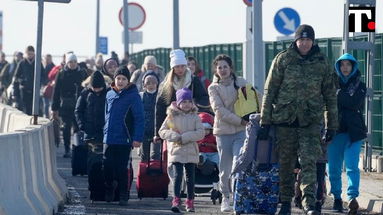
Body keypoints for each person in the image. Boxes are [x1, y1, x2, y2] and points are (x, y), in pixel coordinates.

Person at [258, 24, 338, 215]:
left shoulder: (322, 62)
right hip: (285, 121)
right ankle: (285, 203)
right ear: (295, 41)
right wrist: (264, 121)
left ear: (313, 41)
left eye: (308, 40)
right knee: (286, 164)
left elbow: (330, 95)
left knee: (309, 162)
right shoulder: (283, 59)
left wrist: (332, 124)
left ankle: (309, 204)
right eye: (301, 40)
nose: (304, 43)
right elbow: (270, 92)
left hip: (310, 121)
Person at [207, 54, 251, 212]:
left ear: (231, 68)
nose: (223, 70)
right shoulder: (213, 88)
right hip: (223, 132)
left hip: (241, 131)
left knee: (238, 164)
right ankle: (225, 197)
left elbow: (254, 99)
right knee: (225, 168)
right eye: (220, 67)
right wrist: (240, 120)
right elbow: (219, 111)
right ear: (216, 70)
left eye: (225, 66)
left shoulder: (241, 82)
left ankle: (237, 197)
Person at [327, 53, 367, 215]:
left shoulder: (360, 85)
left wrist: (337, 96)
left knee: (352, 166)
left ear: (353, 67)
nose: (345, 68)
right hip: (334, 131)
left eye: (348, 65)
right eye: (342, 64)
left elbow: (354, 103)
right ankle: (337, 197)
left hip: (354, 132)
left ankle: (352, 197)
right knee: (334, 168)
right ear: (338, 67)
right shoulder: (330, 84)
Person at [159, 87, 204, 213]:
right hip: (176, 150)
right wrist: (174, 136)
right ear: (178, 103)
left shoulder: (195, 117)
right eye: (184, 102)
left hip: (190, 150)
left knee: (191, 177)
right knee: (178, 176)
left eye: (189, 102)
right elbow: (162, 131)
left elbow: (200, 133)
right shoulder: (171, 117)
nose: (187, 104)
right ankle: (176, 199)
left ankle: (190, 201)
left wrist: (185, 137)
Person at [103, 66, 144, 206]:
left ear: (128, 81)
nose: (120, 81)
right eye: (118, 78)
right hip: (109, 138)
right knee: (107, 165)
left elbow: (139, 118)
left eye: (123, 79)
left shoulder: (134, 96)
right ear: (114, 79)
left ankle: (123, 194)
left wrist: (137, 138)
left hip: (125, 138)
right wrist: (104, 131)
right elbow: (106, 115)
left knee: (122, 168)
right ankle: (109, 186)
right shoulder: (109, 94)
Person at [154, 49, 210, 145]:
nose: (180, 69)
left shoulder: (193, 80)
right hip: (172, 125)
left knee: (190, 154)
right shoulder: (166, 84)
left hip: (190, 124)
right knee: (173, 155)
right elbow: (160, 108)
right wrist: (157, 133)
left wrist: (191, 105)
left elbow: (204, 99)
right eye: (177, 66)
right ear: (173, 68)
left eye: (183, 66)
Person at [51, 53, 87, 158]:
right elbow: (56, 92)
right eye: (70, 62)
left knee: (78, 128)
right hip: (65, 106)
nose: (73, 64)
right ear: (67, 62)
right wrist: (54, 108)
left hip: (79, 105)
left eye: (75, 62)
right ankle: (67, 149)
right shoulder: (61, 74)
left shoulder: (82, 73)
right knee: (66, 128)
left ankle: (77, 148)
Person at [74, 71, 108, 152]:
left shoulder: (108, 94)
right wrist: (82, 125)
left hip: (104, 131)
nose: (96, 90)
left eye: (99, 88)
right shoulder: (85, 94)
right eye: (94, 88)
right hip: (89, 132)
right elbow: (78, 110)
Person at [13, 46, 44, 115]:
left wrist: (40, 84)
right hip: (24, 90)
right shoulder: (22, 63)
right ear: (26, 54)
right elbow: (16, 77)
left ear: (34, 54)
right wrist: (22, 81)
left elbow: (43, 75)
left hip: (35, 90)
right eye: (28, 54)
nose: (30, 56)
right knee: (25, 108)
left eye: (31, 54)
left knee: (35, 108)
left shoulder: (38, 63)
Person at [139, 71, 161, 161]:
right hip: (144, 128)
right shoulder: (141, 96)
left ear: (157, 83)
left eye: (153, 83)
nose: (151, 85)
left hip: (157, 128)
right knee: (144, 154)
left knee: (156, 154)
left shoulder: (160, 96)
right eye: (148, 83)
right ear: (144, 84)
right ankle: (144, 172)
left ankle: (156, 172)